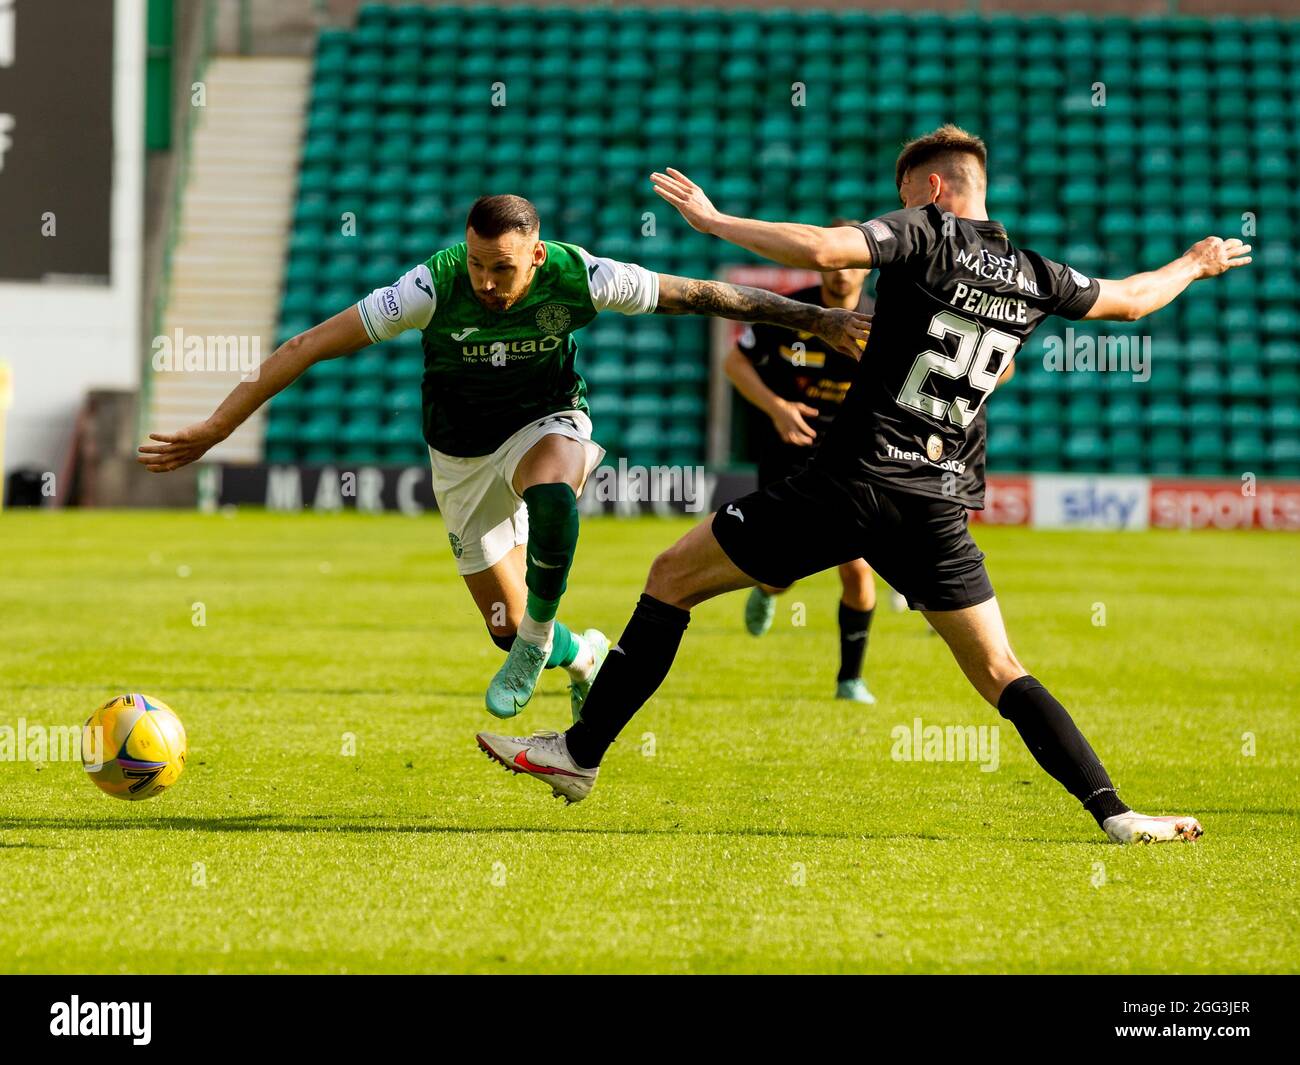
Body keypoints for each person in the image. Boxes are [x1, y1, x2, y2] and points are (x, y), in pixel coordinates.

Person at [475, 127, 1251, 846]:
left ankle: (578, 753)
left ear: (937, 190)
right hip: (938, 502)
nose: (904, 208)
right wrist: (1196, 263)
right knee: (1000, 670)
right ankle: (1115, 812)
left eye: (910, 196)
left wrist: (715, 222)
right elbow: (1132, 297)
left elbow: (823, 246)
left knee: (671, 577)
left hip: (853, 481)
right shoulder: (1038, 273)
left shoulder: (927, 231)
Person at [139, 194, 869, 722]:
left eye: (506, 270)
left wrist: (815, 318)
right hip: (460, 457)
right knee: (498, 621)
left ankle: (539, 636)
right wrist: (216, 426)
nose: (489, 284)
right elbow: (304, 347)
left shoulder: (580, 275)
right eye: (481, 265)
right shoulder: (431, 284)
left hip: (545, 422)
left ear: (537, 255)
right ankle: (576, 653)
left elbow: (704, 294)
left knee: (554, 491)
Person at [722, 235, 879, 703]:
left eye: (853, 264)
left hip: (849, 462)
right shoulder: (790, 312)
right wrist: (777, 408)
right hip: (788, 455)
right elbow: (734, 363)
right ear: (822, 264)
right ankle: (767, 592)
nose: (841, 273)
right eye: (836, 263)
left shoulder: (883, 324)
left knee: (857, 568)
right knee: (780, 571)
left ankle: (849, 680)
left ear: (866, 271)